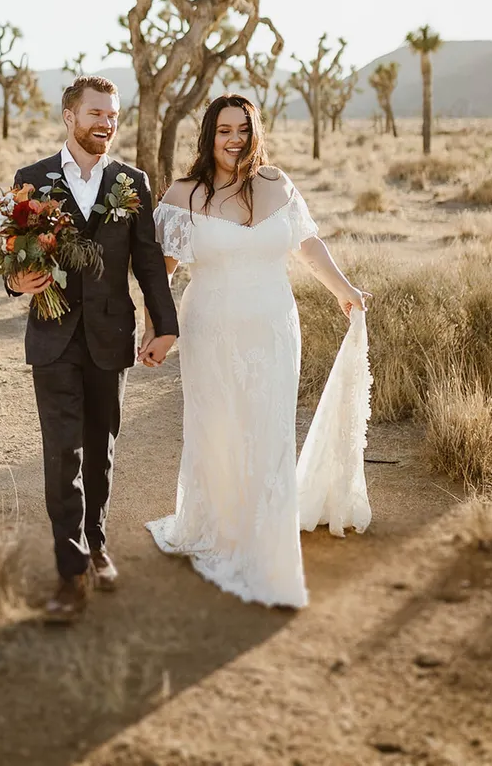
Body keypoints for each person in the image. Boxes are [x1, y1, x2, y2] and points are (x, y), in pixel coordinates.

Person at [144, 94, 369, 607]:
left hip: (273, 327)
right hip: (212, 332)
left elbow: (307, 245)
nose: (234, 140)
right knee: (217, 428)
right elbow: (163, 272)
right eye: (224, 130)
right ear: (209, 135)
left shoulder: (275, 184)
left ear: (254, 133)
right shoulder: (184, 194)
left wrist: (344, 289)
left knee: (268, 427)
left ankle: (265, 539)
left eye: (243, 130)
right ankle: (218, 527)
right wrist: (156, 328)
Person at [5, 75, 179, 622]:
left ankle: (97, 540)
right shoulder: (32, 181)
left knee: (100, 450)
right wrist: (17, 282)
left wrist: (164, 325)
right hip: (52, 338)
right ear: (70, 117)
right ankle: (71, 571)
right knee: (62, 455)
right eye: (96, 113)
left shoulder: (132, 181)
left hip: (110, 335)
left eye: (113, 115)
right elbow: (12, 256)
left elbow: (148, 260)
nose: (107, 122)